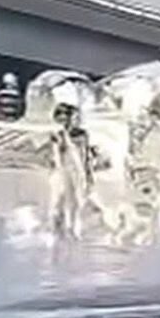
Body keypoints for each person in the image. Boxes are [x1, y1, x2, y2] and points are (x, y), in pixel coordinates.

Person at [49, 102, 93, 240]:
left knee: (76, 199)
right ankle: (57, 228)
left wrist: (87, 173)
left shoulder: (81, 135)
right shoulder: (57, 135)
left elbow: (84, 156)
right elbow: (55, 156)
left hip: (75, 170)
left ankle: (73, 228)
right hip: (62, 170)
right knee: (59, 199)